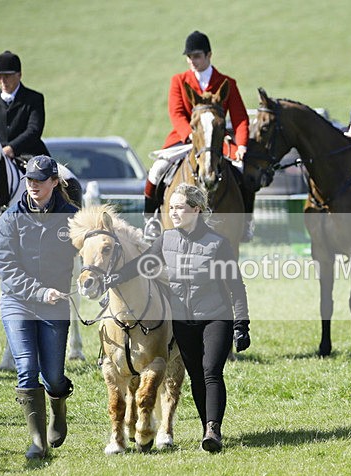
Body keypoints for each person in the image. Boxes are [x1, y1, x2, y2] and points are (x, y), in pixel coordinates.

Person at [117, 183, 249, 452]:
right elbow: (141, 265)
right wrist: (113, 277)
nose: (174, 213)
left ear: (196, 210)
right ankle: (206, 429)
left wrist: (241, 325)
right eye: (171, 208)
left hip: (215, 317)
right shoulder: (166, 240)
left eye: (180, 207)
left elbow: (236, 286)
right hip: (182, 322)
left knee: (211, 371)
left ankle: (213, 429)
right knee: (197, 376)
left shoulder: (217, 244)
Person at [0, 155, 78, 459]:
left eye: (40, 180)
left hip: (55, 306)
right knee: (27, 368)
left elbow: (95, 251)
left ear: (54, 182)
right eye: (30, 180)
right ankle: (38, 442)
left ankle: (59, 406)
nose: (34, 185)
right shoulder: (9, 218)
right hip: (18, 302)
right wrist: (41, 292)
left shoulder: (72, 217)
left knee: (53, 376)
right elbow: (6, 269)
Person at [144, 31, 254, 238]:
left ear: (209, 55)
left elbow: (240, 118)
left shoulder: (227, 82)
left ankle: (246, 223)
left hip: (217, 141)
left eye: (196, 56)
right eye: (189, 57)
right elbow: (176, 113)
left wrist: (241, 146)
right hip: (185, 139)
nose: (192, 61)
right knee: (156, 170)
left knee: (244, 172)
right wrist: (191, 136)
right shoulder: (179, 80)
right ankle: (150, 220)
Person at [0, 51, 50, 161]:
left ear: (19, 75)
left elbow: (34, 130)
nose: (3, 81)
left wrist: (11, 148)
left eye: (7, 76)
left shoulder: (34, 98)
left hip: (29, 155)